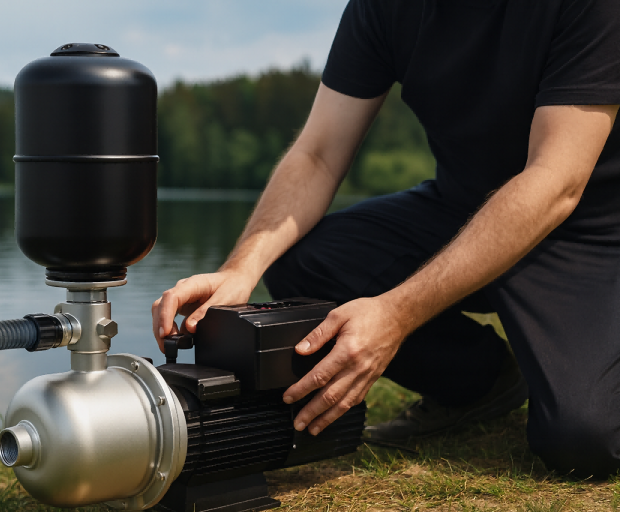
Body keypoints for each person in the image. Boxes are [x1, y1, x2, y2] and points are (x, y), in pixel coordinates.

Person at [152, 0, 620, 477]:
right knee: (305, 262)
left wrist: (395, 315)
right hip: (457, 208)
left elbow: (555, 181)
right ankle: (480, 382)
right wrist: (240, 268)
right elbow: (317, 154)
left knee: (582, 440)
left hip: (592, 232)